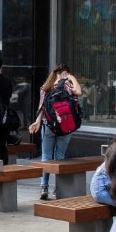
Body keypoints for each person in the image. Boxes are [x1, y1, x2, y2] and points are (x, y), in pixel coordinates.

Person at [29, 64, 83, 201]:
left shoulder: (45, 87)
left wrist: (37, 122)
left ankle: (44, 187)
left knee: (46, 157)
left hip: (49, 125)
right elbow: (79, 91)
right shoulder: (67, 86)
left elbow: (41, 108)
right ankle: (58, 188)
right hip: (65, 126)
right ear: (65, 72)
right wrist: (71, 78)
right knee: (60, 156)